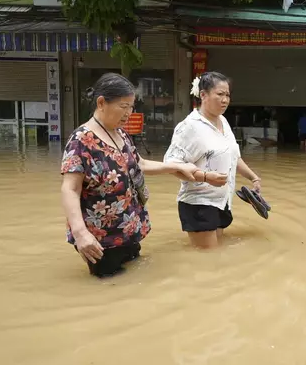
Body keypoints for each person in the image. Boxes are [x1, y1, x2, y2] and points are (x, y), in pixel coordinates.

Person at [60, 73, 218, 278]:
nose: (129, 113)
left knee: (134, 277)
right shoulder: (80, 141)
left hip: (129, 229)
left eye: (131, 107)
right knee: (110, 286)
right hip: (101, 239)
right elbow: (70, 189)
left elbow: (139, 164)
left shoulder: (120, 134)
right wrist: (81, 234)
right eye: (123, 106)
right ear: (101, 103)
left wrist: (177, 167)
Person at [163, 71, 263, 249]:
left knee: (216, 257)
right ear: (203, 95)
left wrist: (253, 177)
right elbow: (171, 165)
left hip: (222, 201)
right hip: (199, 204)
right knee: (207, 261)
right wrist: (205, 177)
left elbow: (234, 157)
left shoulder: (223, 121)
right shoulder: (189, 127)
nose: (225, 100)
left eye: (227, 95)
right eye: (220, 94)